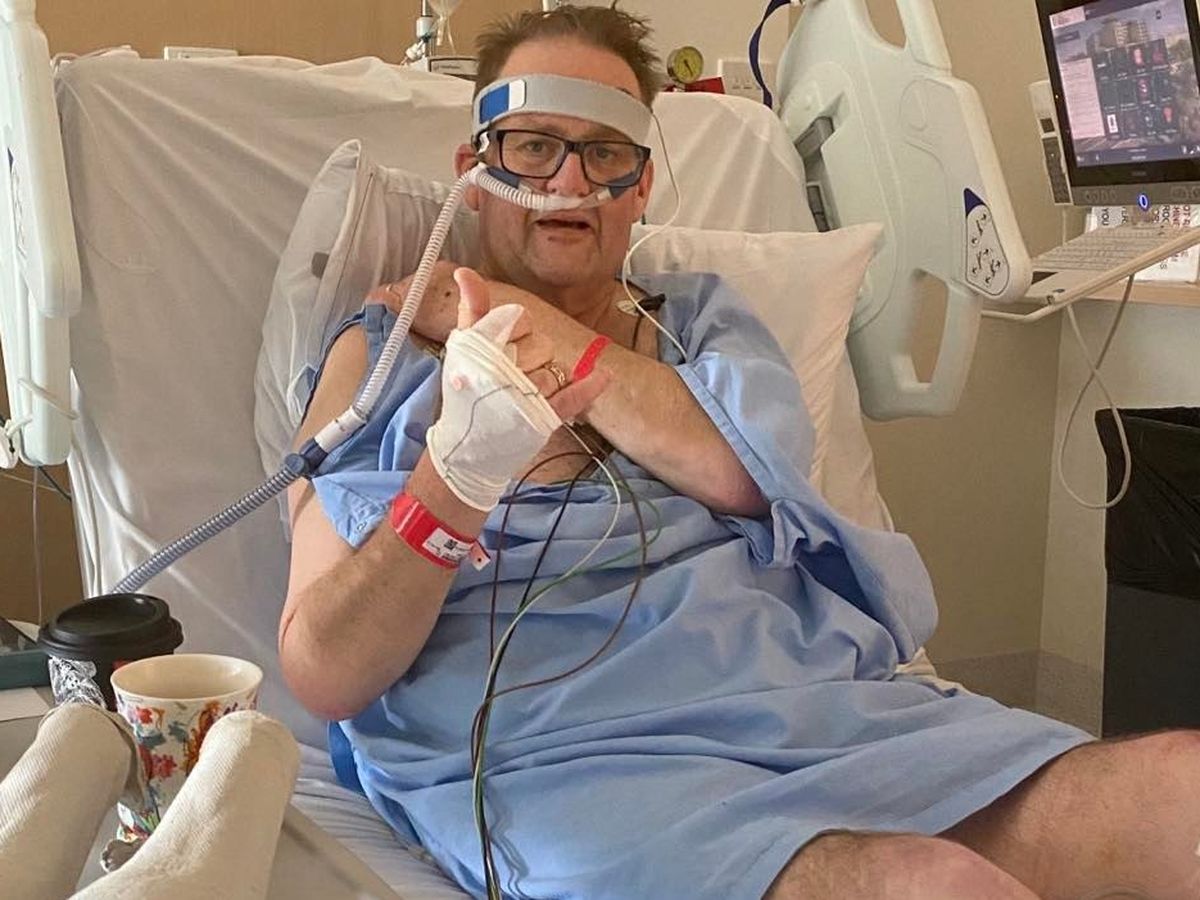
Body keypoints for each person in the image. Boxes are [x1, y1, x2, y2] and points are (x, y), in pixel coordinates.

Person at [280, 7, 1200, 898]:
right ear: (474, 171)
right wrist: (455, 479)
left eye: (604, 152)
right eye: (533, 145)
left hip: (818, 714)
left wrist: (537, 328)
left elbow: (741, 473)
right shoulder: (386, 357)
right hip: (564, 759)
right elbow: (323, 667)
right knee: (929, 887)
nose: (568, 181)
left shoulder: (703, 323)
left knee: (1180, 789)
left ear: (641, 185)